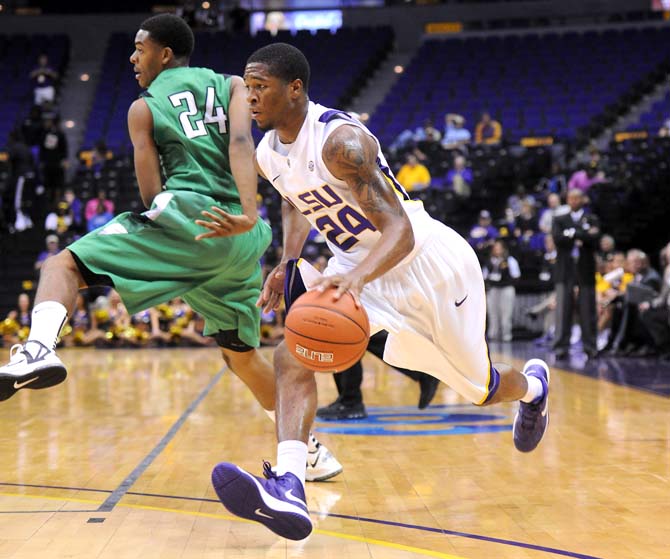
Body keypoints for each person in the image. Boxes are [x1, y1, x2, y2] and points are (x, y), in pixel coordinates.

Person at [202, 43, 551, 541]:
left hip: (428, 265)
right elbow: (296, 200)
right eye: (248, 87)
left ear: (295, 89)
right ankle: (289, 486)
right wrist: (287, 261)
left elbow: (399, 229)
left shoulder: (341, 142)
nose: (251, 98)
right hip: (356, 266)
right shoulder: (266, 153)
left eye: (261, 88)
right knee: (291, 354)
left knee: (482, 388)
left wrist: (359, 277)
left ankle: (534, 389)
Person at [0, 14, 341, 482]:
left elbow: (149, 194)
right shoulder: (236, 84)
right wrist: (244, 210)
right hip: (242, 236)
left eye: (139, 49)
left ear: (164, 53)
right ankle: (307, 453)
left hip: (189, 222)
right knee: (239, 353)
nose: (132, 58)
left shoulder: (143, 107)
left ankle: (38, 347)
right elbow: (243, 141)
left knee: (62, 264)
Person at [551, 188, 601, 359]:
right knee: (563, 310)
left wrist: (572, 233)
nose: (574, 201)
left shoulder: (592, 218)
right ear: (567, 200)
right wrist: (581, 233)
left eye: (577, 198)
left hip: (585, 270)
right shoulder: (559, 219)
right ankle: (560, 347)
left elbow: (595, 239)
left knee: (588, 310)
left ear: (583, 200)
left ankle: (590, 347)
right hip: (565, 270)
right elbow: (558, 240)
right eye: (571, 198)